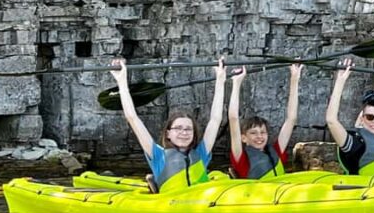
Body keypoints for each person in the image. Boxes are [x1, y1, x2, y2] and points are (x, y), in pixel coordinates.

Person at [109, 57, 226, 193]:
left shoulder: (201, 153)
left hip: (201, 201)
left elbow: (215, 120)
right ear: (168, 133)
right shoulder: (158, 155)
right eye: (178, 128)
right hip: (171, 202)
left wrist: (220, 80)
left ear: (194, 134)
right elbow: (132, 118)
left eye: (189, 129)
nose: (184, 132)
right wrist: (121, 81)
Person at [228, 63, 302, 180]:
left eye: (263, 132)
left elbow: (291, 119)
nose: (259, 136)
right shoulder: (241, 159)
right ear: (244, 138)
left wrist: (294, 79)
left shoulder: (276, 151)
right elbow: (233, 119)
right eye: (253, 133)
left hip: (280, 190)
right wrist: (236, 83)